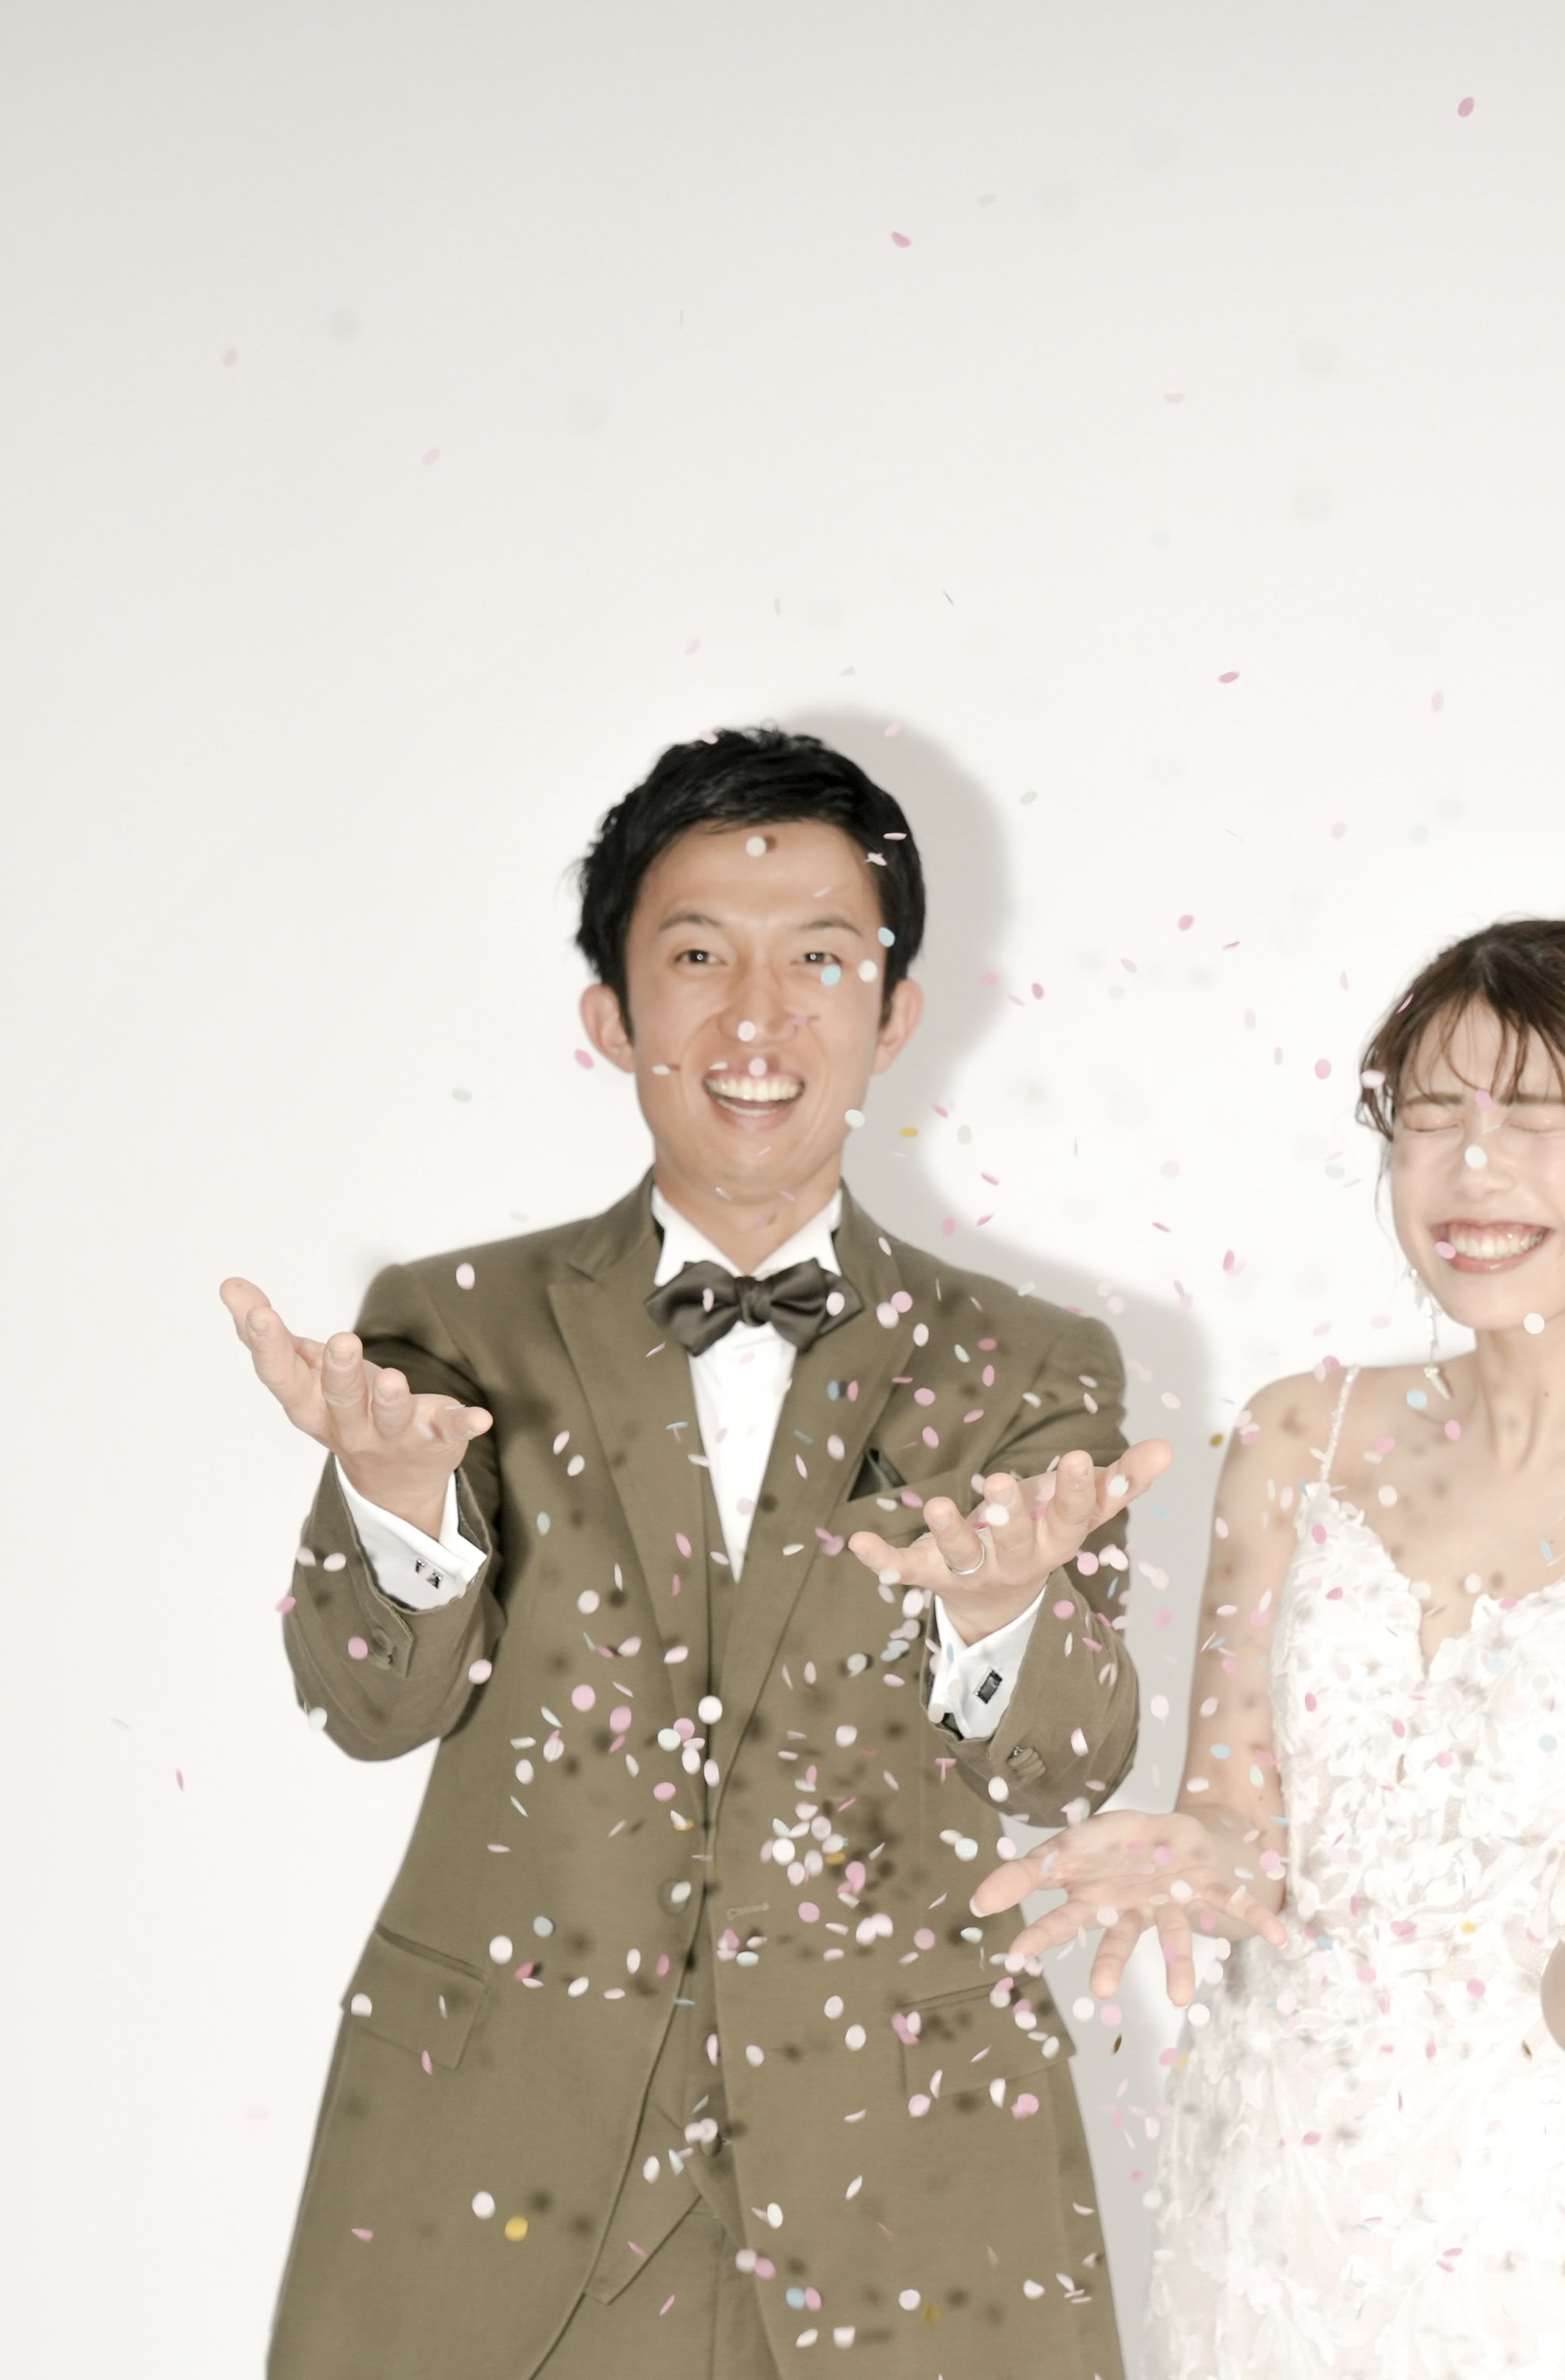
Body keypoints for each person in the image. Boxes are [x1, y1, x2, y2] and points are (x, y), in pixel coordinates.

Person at [222, 729, 1169, 2380]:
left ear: (895, 1015)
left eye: (820, 959)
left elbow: (1070, 1763)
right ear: (613, 1015)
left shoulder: (1030, 1362)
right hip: (505, 2156)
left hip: (910, 2169)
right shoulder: (452, 1323)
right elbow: (367, 1708)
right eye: (699, 957)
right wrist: (398, 1504)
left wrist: (1005, 1606)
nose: (758, 1018)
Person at [977, 918, 1565, 2379]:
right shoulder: (1298, 1433)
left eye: (1534, 1115)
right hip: (1262, 2235)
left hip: (1552, 2271)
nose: (1474, 1166)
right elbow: (1242, 1832)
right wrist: (1195, 1852)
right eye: (1430, 1115)